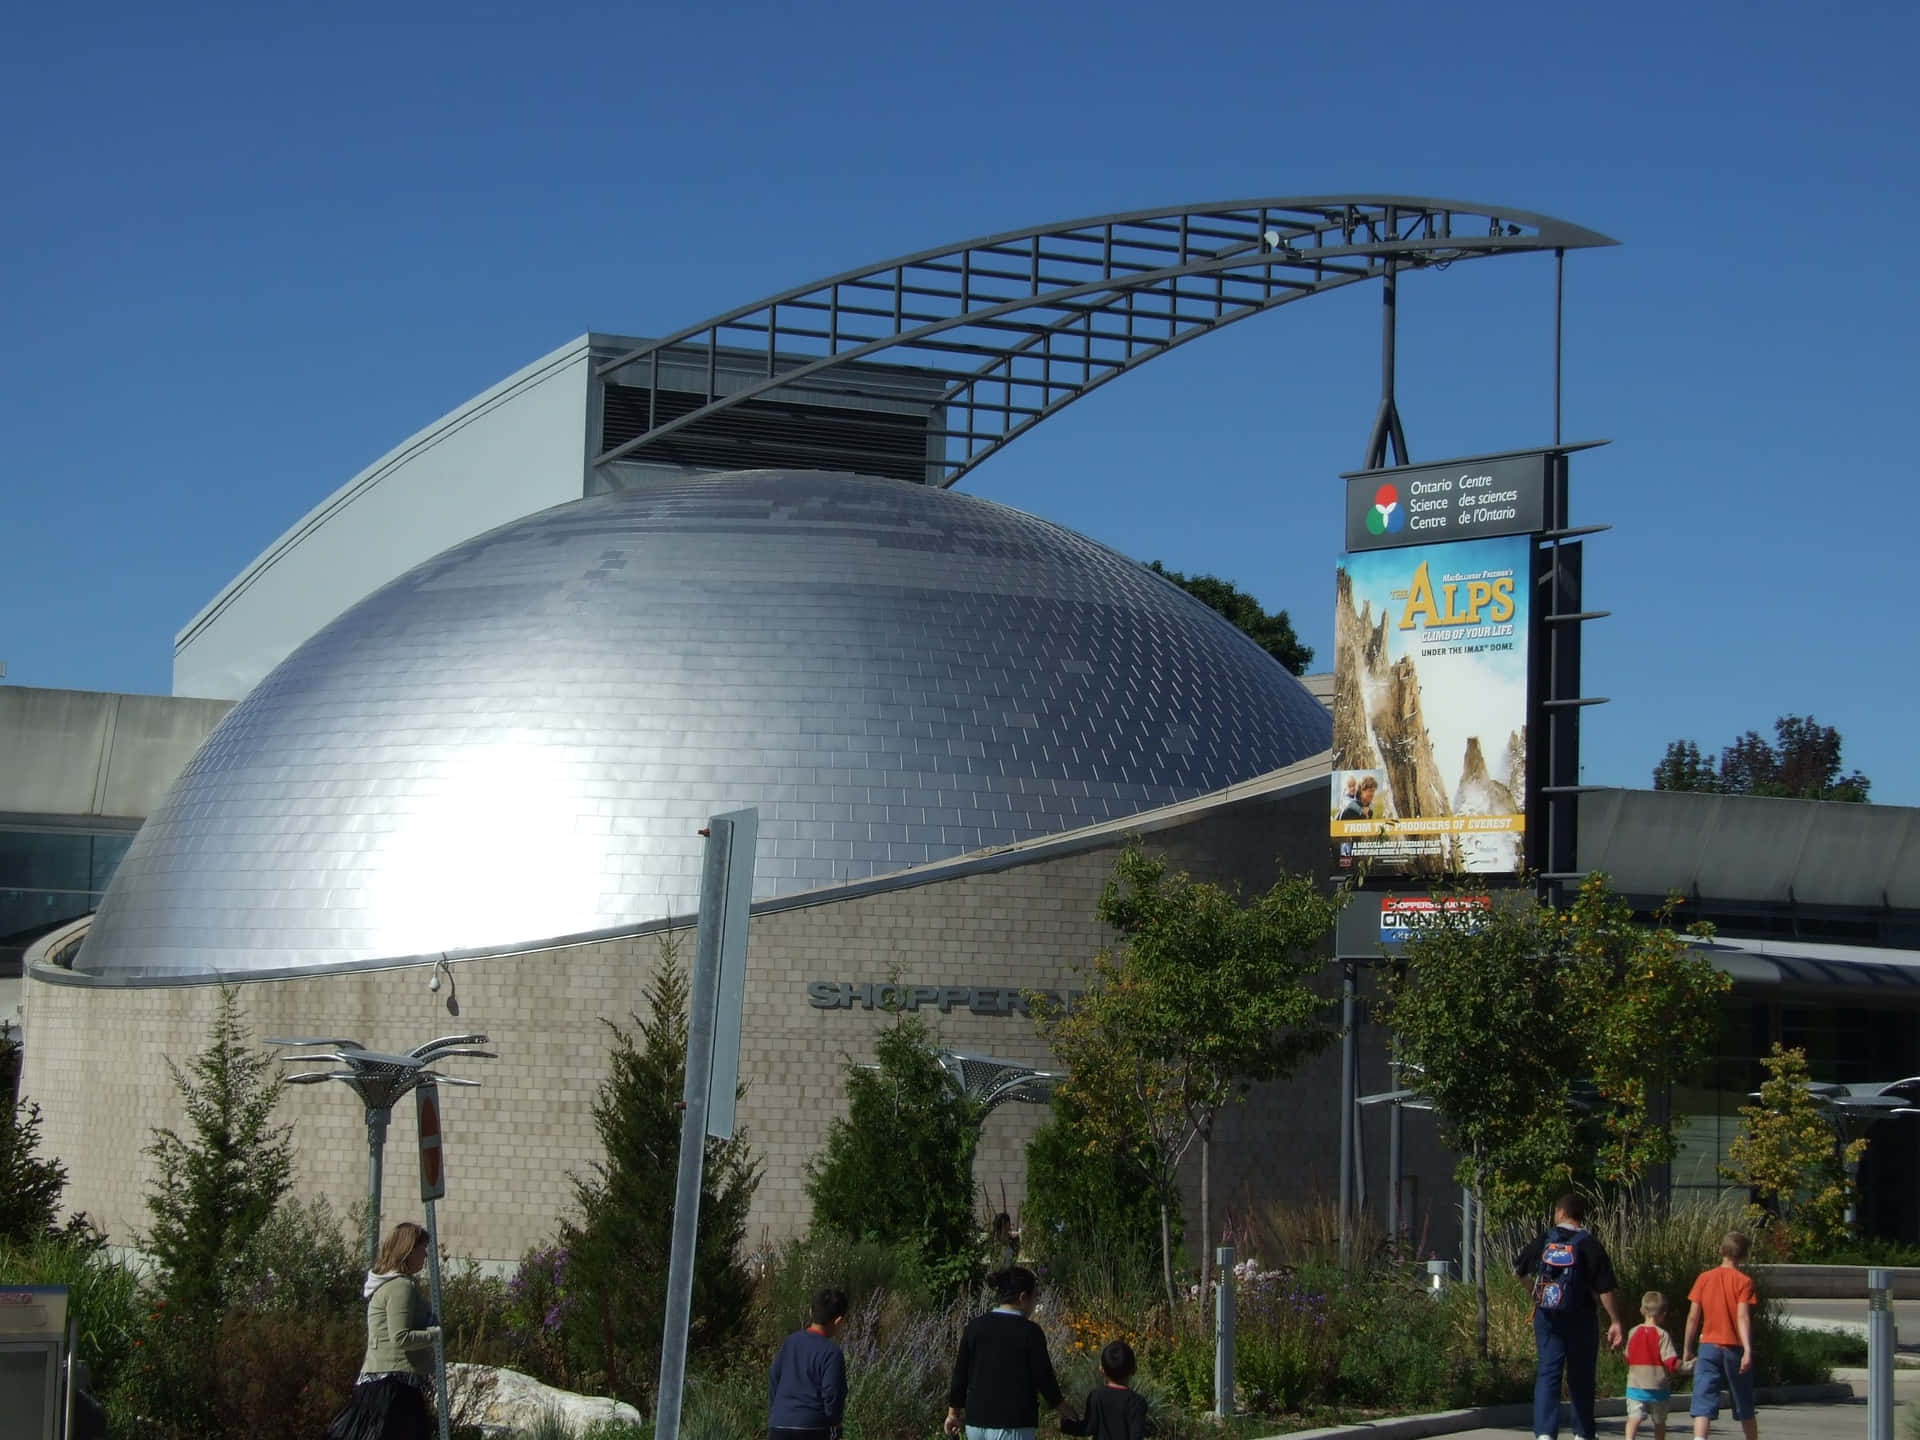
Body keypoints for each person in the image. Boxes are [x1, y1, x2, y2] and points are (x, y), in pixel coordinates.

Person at [1513, 1193, 1625, 1440]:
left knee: (1548, 1373)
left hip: (1548, 1316)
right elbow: (1605, 1287)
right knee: (1581, 1376)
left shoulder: (1545, 1239)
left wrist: (1536, 1294)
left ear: (1561, 1213)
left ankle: (1544, 1433)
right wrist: (1615, 1321)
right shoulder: (1589, 1244)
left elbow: (1520, 1269)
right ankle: (1583, 1433)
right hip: (1581, 1317)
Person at [324, 1221, 441, 1440]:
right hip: (394, 1388)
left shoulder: (394, 1284)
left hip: (387, 1386)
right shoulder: (400, 1287)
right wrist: (435, 1335)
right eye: (422, 1249)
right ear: (408, 1250)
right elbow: (401, 1337)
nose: (425, 1255)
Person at [944, 1266, 1071, 1440]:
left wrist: (953, 1414)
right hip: (1013, 1423)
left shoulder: (974, 1327)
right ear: (1023, 1298)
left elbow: (960, 1374)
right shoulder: (1030, 1332)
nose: (1035, 1304)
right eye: (1035, 1297)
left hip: (976, 1423)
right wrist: (1063, 1408)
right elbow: (1044, 1377)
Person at [1682, 1231, 1759, 1440]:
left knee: (1703, 1398)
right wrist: (1748, 1350)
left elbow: (1693, 1317)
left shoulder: (1704, 1278)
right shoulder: (1744, 1282)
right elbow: (1742, 1317)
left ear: (1720, 1250)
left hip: (1708, 1345)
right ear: (1744, 1256)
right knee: (1743, 1399)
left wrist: (1687, 1348)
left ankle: (1699, 1438)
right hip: (1734, 1347)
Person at [768, 1287, 849, 1440]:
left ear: (811, 1312)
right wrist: (835, 1424)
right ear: (839, 1321)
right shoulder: (831, 1353)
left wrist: (778, 1410)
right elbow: (833, 1393)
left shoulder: (790, 1342)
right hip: (812, 1427)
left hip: (779, 1424)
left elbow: (774, 1377)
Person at [1624, 1291, 1684, 1440]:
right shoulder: (1662, 1335)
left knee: (1634, 1418)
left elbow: (1627, 1357)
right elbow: (1670, 1361)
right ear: (1663, 1314)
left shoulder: (1633, 1332)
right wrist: (1685, 1366)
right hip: (1658, 1387)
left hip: (1635, 1385)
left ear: (1642, 1310)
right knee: (1659, 1421)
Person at [1061, 1339, 1148, 1440]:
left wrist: (1066, 1425)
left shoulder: (1096, 1396)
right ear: (1134, 1369)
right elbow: (1136, 1436)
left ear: (1102, 1370)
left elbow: (1088, 1428)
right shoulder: (1137, 1402)